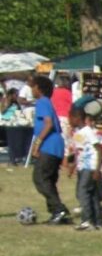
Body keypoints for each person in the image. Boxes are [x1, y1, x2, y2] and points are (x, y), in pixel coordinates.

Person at [29, 75, 71, 225]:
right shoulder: (46, 102)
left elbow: (48, 124)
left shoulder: (42, 102)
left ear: (39, 89)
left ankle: (59, 209)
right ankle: (57, 213)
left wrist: (37, 144)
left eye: (33, 87)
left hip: (50, 145)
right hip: (56, 146)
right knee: (49, 180)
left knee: (40, 178)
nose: (31, 90)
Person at [66, 103, 102, 231]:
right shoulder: (78, 133)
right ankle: (98, 221)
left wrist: (97, 169)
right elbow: (80, 152)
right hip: (82, 167)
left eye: (70, 118)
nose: (69, 121)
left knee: (82, 193)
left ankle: (87, 221)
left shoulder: (87, 132)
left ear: (77, 118)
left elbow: (99, 149)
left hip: (89, 168)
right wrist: (73, 166)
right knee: (92, 194)